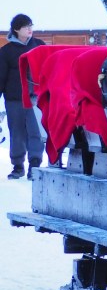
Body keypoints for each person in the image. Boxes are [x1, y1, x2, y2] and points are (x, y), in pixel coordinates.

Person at [0, 13, 46, 179]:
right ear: (16, 29)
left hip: (35, 99)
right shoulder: (6, 51)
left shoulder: (40, 46)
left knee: (36, 132)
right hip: (14, 99)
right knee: (17, 133)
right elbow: (1, 76)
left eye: (31, 26)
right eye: (26, 26)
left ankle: (35, 165)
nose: (30, 29)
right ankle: (18, 166)